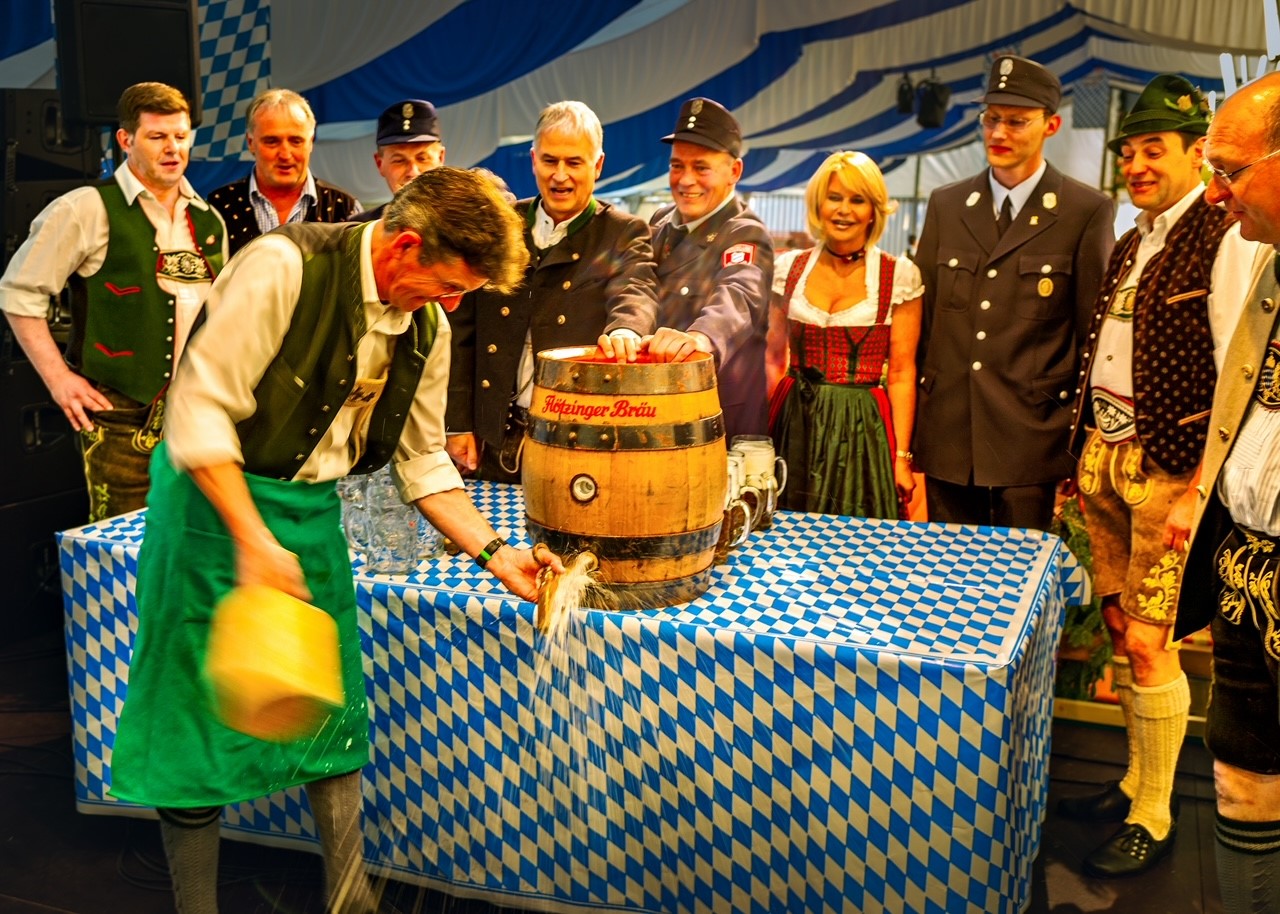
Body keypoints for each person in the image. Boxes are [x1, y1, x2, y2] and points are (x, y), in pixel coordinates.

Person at [108, 167, 561, 914]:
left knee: (330, 713)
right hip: (209, 509)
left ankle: (350, 899)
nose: (453, 304)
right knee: (194, 727)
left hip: (310, 513)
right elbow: (198, 412)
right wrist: (252, 539)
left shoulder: (428, 327)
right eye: (449, 285)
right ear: (405, 246)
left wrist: (496, 553)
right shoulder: (283, 267)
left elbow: (423, 460)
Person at [1056, 74, 1258, 879]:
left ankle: (1155, 812)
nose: (1137, 165)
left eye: (1154, 150)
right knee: (1118, 629)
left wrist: (1202, 489)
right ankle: (1134, 781)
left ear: (1195, 152)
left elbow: (1240, 367)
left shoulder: (1224, 233)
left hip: (1171, 469)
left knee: (1150, 642)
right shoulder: (1135, 236)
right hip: (1105, 457)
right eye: (1129, 151)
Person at [0, 82, 226, 522]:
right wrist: (59, 379)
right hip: (120, 417)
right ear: (126, 140)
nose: (173, 148)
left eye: (181, 136)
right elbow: (19, 292)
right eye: (157, 136)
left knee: (190, 539)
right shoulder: (86, 208)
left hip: (197, 415)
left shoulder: (208, 219)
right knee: (123, 545)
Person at [912, 55, 1114, 530]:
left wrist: (1079, 441)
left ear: (1051, 126)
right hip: (951, 430)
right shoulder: (947, 205)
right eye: (992, 119)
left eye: (1017, 122)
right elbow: (926, 323)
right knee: (943, 564)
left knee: (1021, 568)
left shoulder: (1084, 210)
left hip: (1033, 436)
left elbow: (1091, 335)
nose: (999, 133)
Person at [1174, 71, 1280, 914]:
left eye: (1229, 171)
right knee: (1240, 775)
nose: (1213, 193)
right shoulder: (1271, 265)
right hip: (1247, 566)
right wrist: (1207, 491)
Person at [445, 100, 658, 482]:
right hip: (490, 439)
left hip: (575, 441)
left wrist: (626, 328)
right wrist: (456, 423)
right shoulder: (502, 225)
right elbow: (462, 330)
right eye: (549, 160)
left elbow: (636, 287)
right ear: (533, 160)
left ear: (598, 165)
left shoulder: (622, 232)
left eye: (574, 162)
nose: (560, 175)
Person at [767, 150, 922, 519]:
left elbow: (901, 373)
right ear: (819, 204)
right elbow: (771, 358)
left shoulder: (898, 275)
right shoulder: (788, 268)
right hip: (795, 419)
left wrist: (901, 457)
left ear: (874, 210)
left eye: (857, 200)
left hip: (861, 426)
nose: (843, 210)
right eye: (834, 198)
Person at [646, 97, 775, 441]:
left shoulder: (745, 233)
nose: (686, 180)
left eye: (701, 168)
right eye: (677, 166)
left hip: (715, 423)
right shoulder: (659, 222)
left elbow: (738, 296)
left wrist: (700, 338)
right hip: (654, 410)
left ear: (734, 172)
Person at [208, 88, 361, 256]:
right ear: (250, 143)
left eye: (296, 141)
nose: (285, 155)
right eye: (272, 141)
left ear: (310, 143)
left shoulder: (345, 208)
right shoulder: (218, 206)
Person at [353, 99, 446, 223]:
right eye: (399, 160)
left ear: (440, 158)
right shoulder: (361, 228)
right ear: (379, 164)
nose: (412, 172)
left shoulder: (468, 222)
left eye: (422, 159)